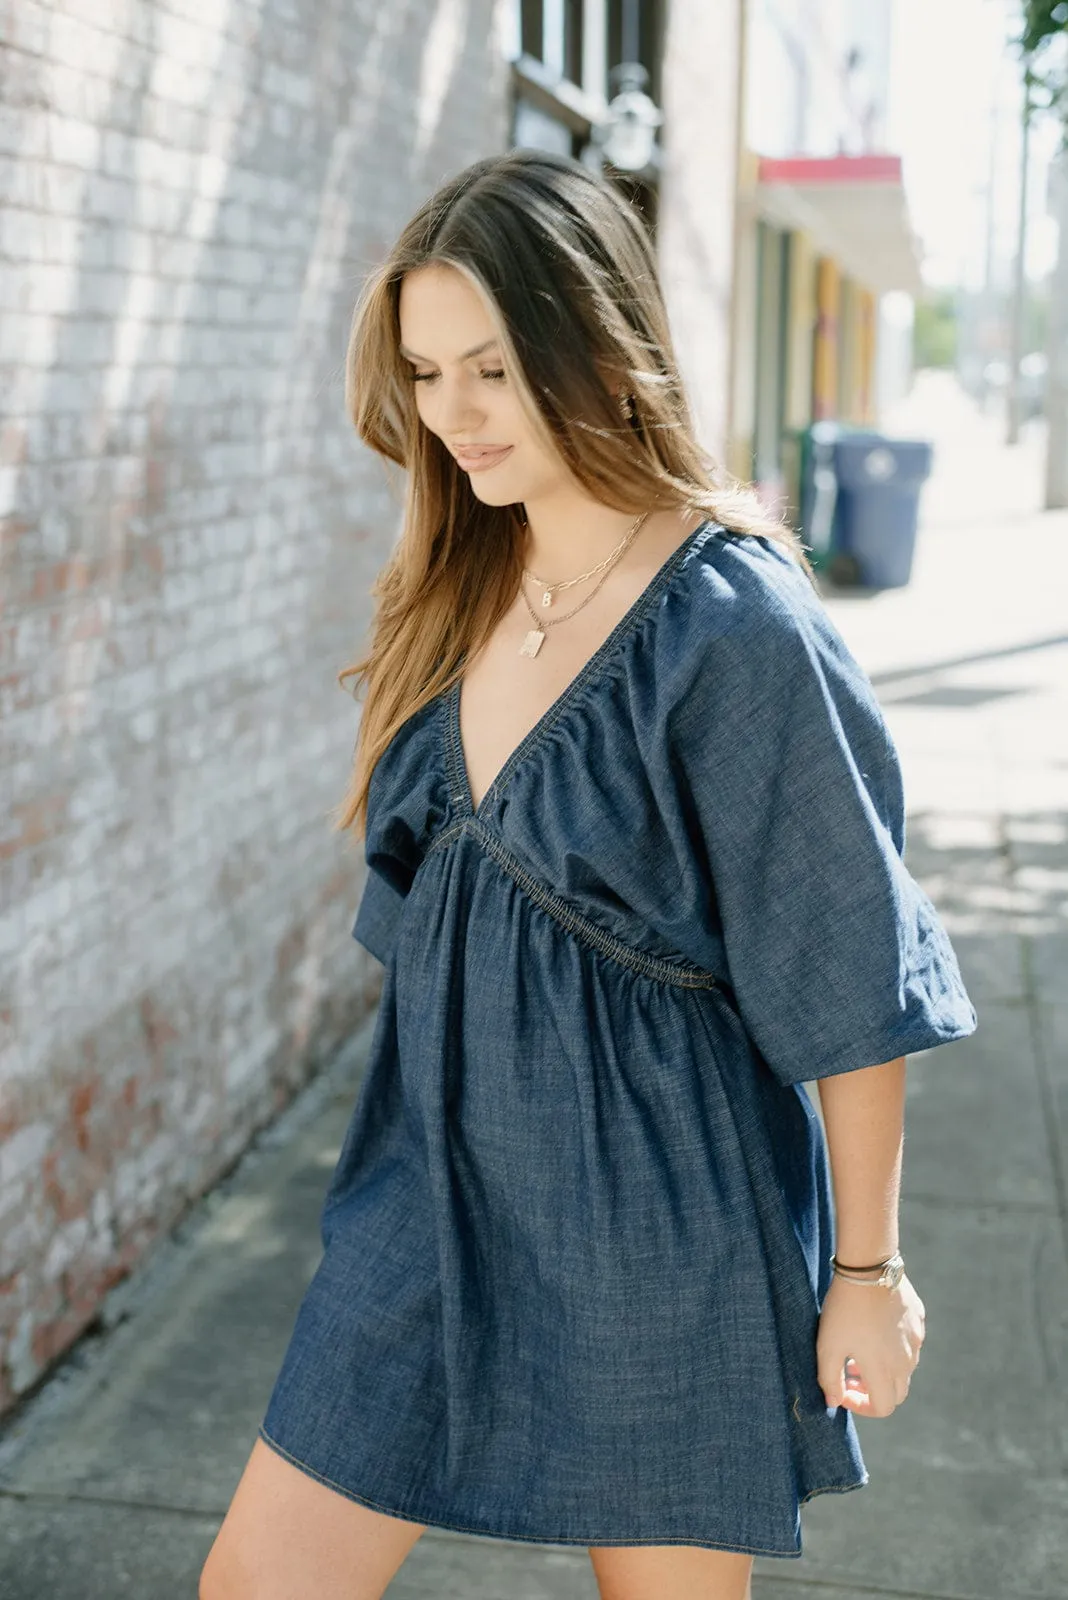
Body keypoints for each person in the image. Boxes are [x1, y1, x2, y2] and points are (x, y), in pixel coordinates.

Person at [200, 149, 977, 1600]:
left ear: (597, 348)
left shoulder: (734, 629)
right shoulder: (462, 586)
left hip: (656, 1211)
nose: (454, 415)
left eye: (491, 368)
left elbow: (849, 963)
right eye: (428, 374)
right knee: (258, 1582)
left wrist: (863, 1274)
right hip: (431, 1187)